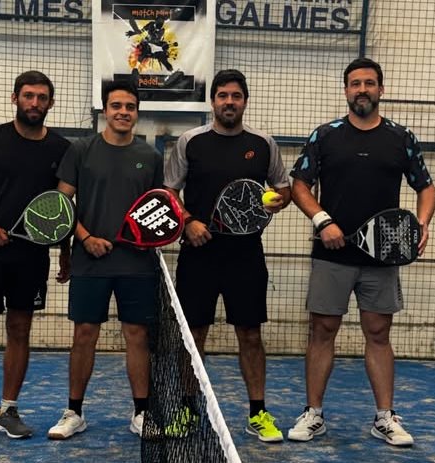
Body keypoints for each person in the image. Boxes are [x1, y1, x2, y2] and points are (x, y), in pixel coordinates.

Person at [288, 57, 435, 446]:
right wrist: (323, 221)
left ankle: (385, 417)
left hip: (382, 258)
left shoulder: (401, 138)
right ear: (346, 91)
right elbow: (300, 185)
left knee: (379, 332)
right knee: (322, 331)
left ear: (381, 89)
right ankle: (313, 413)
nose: (362, 90)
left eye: (369, 83)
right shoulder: (325, 136)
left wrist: (422, 223)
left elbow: (425, 186)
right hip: (331, 256)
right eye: (355, 84)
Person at [164, 69, 291, 442]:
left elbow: (282, 187)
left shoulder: (263, 144)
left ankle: (258, 413)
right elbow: (169, 192)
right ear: (213, 101)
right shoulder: (190, 141)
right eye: (222, 95)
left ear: (245, 101)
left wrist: (277, 201)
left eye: (236, 96)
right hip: (198, 254)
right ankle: (188, 410)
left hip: (246, 256)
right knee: (193, 336)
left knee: (250, 334)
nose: (229, 102)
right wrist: (188, 221)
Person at [47, 80, 163, 440]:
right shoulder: (81, 150)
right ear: (105, 110)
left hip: (137, 264)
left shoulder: (151, 157)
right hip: (90, 261)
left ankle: (141, 413)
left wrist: (146, 237)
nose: (123, 112)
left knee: (137, 335)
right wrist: (85, 239)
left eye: (130, 107)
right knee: (84, 334)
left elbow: (159, 207)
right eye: (116, 106)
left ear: (137, 112)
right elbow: (61, 203)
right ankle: (74, 412)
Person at [0, 71, 71, 450]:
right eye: (28, 96)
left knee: (20, 330)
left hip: (31, 257)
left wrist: (65, 252)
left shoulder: (61, 148)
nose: (34, 103)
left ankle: (8, 410)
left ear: (51, 103)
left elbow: (62, 207)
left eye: (42, 97)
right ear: (15, 98)